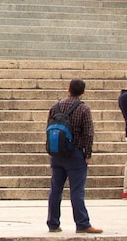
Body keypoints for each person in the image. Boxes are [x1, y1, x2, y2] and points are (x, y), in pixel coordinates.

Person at [46, 78, 102, 234]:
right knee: (77, 190)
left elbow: (48, 127)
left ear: (68, 89)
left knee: (55, 189)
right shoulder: (83, 109)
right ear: (83, 92)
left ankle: (53, 223)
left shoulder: (55, 107)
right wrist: (88, 154)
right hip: (75, 153)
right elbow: (89, 133)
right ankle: (82, 223)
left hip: (57, 153)